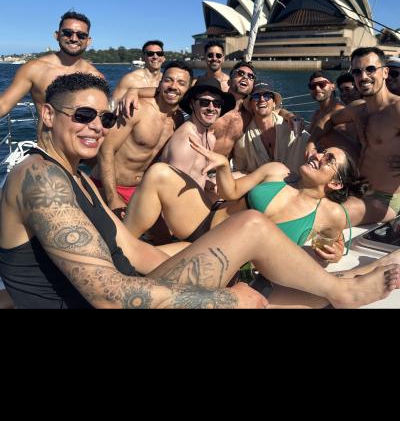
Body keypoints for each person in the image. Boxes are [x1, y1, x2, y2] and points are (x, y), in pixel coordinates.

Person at [0, 73, 398, 309]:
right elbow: (108, 297)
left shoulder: (75, 178)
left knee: (250, 234)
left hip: (124, 288)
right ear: (47, 115)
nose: (96, 127)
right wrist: (229, 300)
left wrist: (213, 266)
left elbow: (134, 250)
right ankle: (343, 291)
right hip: (111, 302)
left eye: (104, 118)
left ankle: (343, 286)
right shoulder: (40, 178)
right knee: (252, 241)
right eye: (83, 115)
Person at [125, 142, 361, 265]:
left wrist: (335, 255)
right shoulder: (277, 171)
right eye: (321, 152)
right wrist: (223, 166)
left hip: (222, 258)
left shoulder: (330, 215)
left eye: (328, 159)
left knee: (137, 262)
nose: (317, 156)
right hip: (204, 221)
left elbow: (330, 246)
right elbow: (231, 192)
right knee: (159, 172)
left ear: (336, 183)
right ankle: (121, 240)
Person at [307, 47, 400, 225]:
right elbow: (329, 119)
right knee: (302, 200)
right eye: (357, 71)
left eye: (370, 69)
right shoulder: (357, 109)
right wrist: (311, 142)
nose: (363, 76)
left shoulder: (396, 109)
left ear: (385, 72)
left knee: (323, 215)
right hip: (356, 187)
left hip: (384, 198)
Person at [90, 62, 191, 219]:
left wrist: (135, 90)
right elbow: (106, 149)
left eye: (181, 83)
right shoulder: (136, 109)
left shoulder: (178, 120)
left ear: (188, 90)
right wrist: (112, 197)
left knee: (169, 230)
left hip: (140, 190)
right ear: (160, 83)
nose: (173, 86)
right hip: (108, 187)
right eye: (168, 80)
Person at [0, 11, 104, 127]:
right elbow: (3, 105)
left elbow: (102, 117)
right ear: (57, 35)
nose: (74, 38)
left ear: (88, 41)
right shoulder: (34, 69)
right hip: (47, 139)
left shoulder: (96, 76)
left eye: (81, 35)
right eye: (68, 33)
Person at [160, 78, 236, 190]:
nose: (211, 108)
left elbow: (197, 175)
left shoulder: (210, 137)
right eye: (204, 102)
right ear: (192, 104)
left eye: (217, 103)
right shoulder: (186, 142)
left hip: (197, 193)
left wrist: (208, 183)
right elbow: (172, 190)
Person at [232, 83, 310, 175]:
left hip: (297, 182)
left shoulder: (293, 128)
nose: (262, 99)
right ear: (251, 105)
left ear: (274, 103)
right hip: (262, 183)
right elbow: (239, 169)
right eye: (256, 97)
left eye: (267, 96)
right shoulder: (243, 140)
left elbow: (311, 150)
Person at [112, 41, 166, 116]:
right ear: (143, 57)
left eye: (159, 54)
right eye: (150, 54)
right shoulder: (130, 79)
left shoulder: (167, 81)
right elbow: (113, 106)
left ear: (163, 58)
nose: (155, 57)